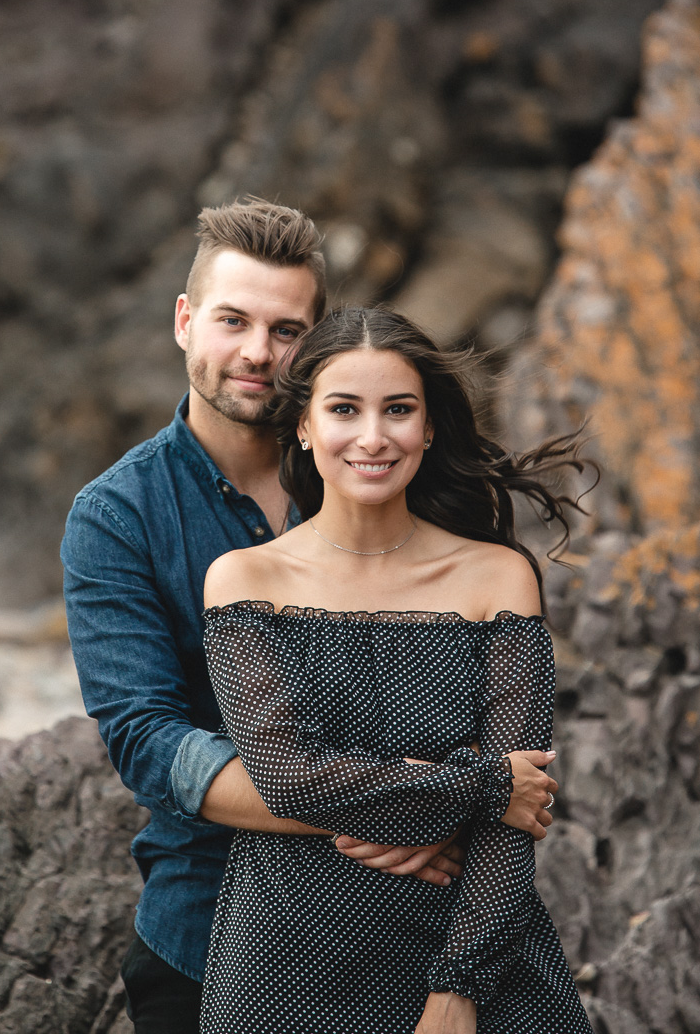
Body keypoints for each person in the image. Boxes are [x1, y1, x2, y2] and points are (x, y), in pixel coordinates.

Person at [61, 201, 470, 1034]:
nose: (256, 353)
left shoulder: (380, 471)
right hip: (208, 935)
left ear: (316, 345)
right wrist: (381, 805)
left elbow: (479, 692)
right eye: (232, 320)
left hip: (409, 926)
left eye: (286, 331)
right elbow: (148, 742)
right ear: (185, 322)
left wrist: (450, 796)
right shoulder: (117, 516)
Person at [201, 306, 594, 1034]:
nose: (373, 437)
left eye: (399, 410)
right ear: (302, 425)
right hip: (289, 961)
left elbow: (516, 824)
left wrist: (458, 989)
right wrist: (485, 785)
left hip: (473, 957)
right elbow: (289, 779)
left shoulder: (497, 576)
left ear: (430, 426)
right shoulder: (243, 580)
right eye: (344, 409)